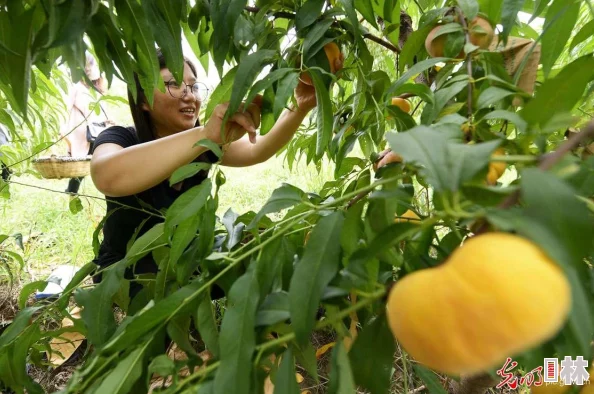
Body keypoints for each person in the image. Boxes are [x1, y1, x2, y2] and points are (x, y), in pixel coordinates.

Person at [90, 49, 341, 300]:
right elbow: (107, 176)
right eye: (174, 85)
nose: (190, 96)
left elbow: (257, 149)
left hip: (186, 261)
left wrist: (300, 105)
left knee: (263, 258)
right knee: (173, 287)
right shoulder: (120, 138)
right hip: (126, 271)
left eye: (194, 86)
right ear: (142, 99)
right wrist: (204, 135)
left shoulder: (204, 145)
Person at [61, 52, 111, 195]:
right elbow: (66, 109)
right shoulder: (76, 87)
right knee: (83, 163)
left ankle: (72, 191)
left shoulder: (97, 90)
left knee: (95, 161)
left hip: (98, 131)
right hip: (82, 133)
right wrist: (62, 130)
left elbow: (101, 112)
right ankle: (72, 191)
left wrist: (108, 122)